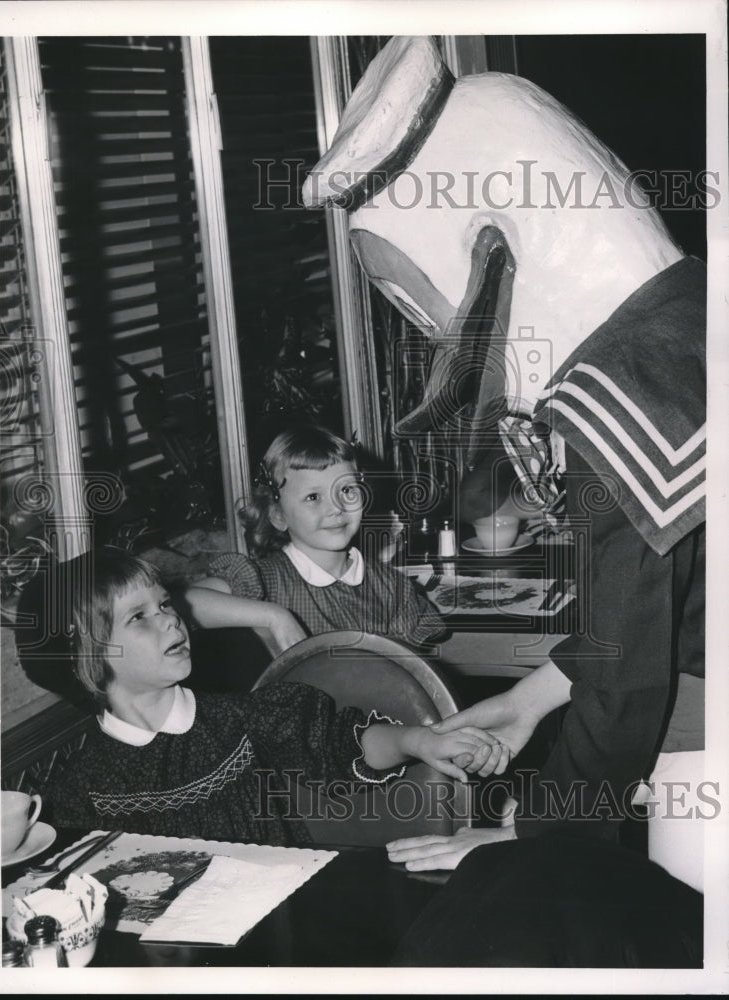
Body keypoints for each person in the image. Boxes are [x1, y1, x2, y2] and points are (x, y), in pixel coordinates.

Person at [302, 36, 707, 893]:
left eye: (419, 301)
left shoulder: (626, 410)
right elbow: (664, 608)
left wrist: (530, 842)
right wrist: (529, 700)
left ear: (494, 250)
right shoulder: (687, 327)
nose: (430, 331)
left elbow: (629, 693)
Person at [46, 548, 498, 846]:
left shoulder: (240, 720)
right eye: (139, 617)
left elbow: (342, 742)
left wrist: (418, 741)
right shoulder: (78, 789)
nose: (170, 621)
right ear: (89, 658)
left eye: (165, 605)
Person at [181, 425, 446, 655]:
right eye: (313, 497)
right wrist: (274, 616)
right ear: (278, 515)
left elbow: (414, 673)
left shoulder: (391, 587)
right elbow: (183, 601)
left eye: (346, 490)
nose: (336, 507)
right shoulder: (267, 580)